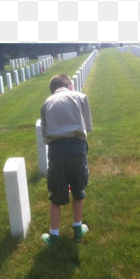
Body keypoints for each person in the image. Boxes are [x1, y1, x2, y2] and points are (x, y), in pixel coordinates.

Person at [40, 73, 93, 245]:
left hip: (56, 151)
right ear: (70, 85)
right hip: (77, 149)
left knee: (56, 194)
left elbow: (45, 135)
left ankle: (54, 236)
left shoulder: (46, 103)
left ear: (52, 90)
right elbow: (88, 127)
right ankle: (78, 230)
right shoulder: (80, 97)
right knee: (78, 190)